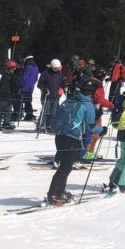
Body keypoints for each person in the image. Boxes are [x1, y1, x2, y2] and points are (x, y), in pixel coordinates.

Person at [47, 77, 100, 206]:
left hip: (60, 136)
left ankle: (55, 192)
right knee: (65, 168)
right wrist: (101, 130)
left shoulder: (70, 100)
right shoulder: (88, 104)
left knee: (63, 167)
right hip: (73, 138)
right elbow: (90, 126)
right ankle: (56, 194)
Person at [37, 59, 66, 134]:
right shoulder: (45, 73)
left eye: (58, 68)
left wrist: (64, 88)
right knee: (45, 111)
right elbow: (40, 84)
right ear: (52, 67)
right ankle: (41, 126)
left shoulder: (60, 74)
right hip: (47, 96)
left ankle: (49, 126)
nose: (57, 70)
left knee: (53, 113)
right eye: (55, 68)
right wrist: (44, 89)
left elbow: (62, 84)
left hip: (56, 96)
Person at [0, 60, 22, 132]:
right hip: (6, 96)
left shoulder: (9, 75)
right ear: (10, 68)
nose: (14, 69)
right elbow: (6, 88)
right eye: (13, 68)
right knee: (3, 110)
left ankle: (6, 123)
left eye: (15, 67)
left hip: (7, 96)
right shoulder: (7, 76)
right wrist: (8, 97)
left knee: (7, 110)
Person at [20, 56, 40, 121]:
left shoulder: (28, 67)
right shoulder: (36, 67)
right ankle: (29, 114)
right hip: (31, 87)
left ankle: (28, 115)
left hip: (25, 87)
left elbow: (25, 77)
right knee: (28, 101)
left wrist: (23, 87)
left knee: (24, 101)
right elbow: (35, 78)